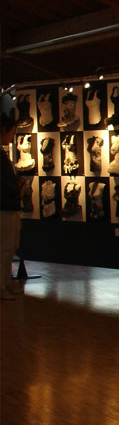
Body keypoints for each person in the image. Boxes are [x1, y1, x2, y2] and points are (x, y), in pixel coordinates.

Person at [1, 107, 22, 300]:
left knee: (10, 246)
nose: (12, 137)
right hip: (4, 206)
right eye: (11, 132)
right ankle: (2, 285)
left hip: (9, 205)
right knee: (5, 248)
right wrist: (15, 188)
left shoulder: (2, 154)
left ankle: (6, 282)